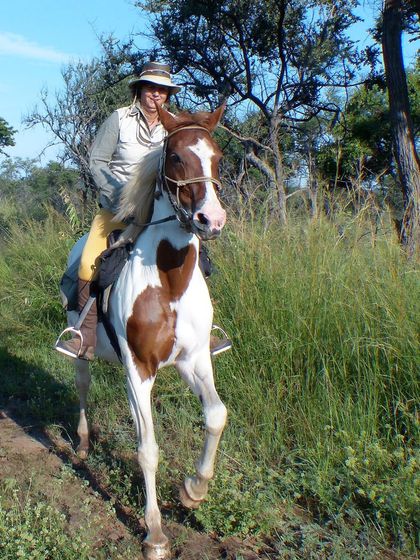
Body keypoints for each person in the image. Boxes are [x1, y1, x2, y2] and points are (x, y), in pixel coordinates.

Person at [55, 61, 231, 361]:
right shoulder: (119, 119)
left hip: (162, 209)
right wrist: (118, 196)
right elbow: (97, 161)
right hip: (118, 208)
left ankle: (205, 330)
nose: (156, 94)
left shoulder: (175, 126)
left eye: (163, 89)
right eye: (151, 87)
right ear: (140, 89)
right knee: (87, 262)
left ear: (167, 94)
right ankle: (82, 337)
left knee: (196, 258)